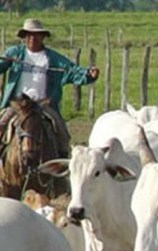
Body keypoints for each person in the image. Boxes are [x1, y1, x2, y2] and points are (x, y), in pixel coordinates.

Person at [0, 18, 100, 157]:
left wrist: (89, 74)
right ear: (24, 37)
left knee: (61, 133)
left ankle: (62, 166)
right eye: (28, 35)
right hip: (18, 104)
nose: (32, 38)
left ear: (43, 37)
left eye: (36, 35)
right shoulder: (15, 53)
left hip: (43, 105)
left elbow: (72, 71)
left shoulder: (53, 59)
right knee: (1, 125)